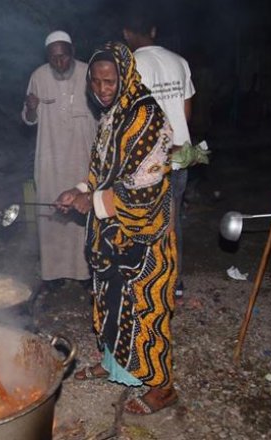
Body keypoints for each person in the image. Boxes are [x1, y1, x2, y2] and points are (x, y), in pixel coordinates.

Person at [55, 42, 178, 415]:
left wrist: (90, 203)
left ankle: (162, 386)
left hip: (143, 236)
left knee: (146, 311)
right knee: (111, 303)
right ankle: (114, 365)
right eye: (95, 82)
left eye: (109, 81)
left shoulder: (146, 117)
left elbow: (147, 187)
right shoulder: (113, 114)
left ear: (125, 76)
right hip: (110, 233)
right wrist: (77, 190)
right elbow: (102, 171)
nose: (102, 89)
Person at [123, 11, 195, 298]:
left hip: (148, 161)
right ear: (153, 30)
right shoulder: (180, 61)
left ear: (126, 34)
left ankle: (149, 282)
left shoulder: (131, 65)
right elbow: (186, 113)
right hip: (179, 155)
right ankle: (173, 283)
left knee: (144, 220)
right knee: (173, 219)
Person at [21, 30, 97, 290]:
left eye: (64, 57)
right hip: (50, 158)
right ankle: (53, 274)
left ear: (72, 52)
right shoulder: (38, 77)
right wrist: (31, 107)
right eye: (54, 58)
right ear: (47, 57)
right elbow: (29, 120)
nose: (59, 63)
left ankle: (87, 271)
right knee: (51, 213)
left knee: (85, 212)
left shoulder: (90, 73)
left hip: (83, 156)